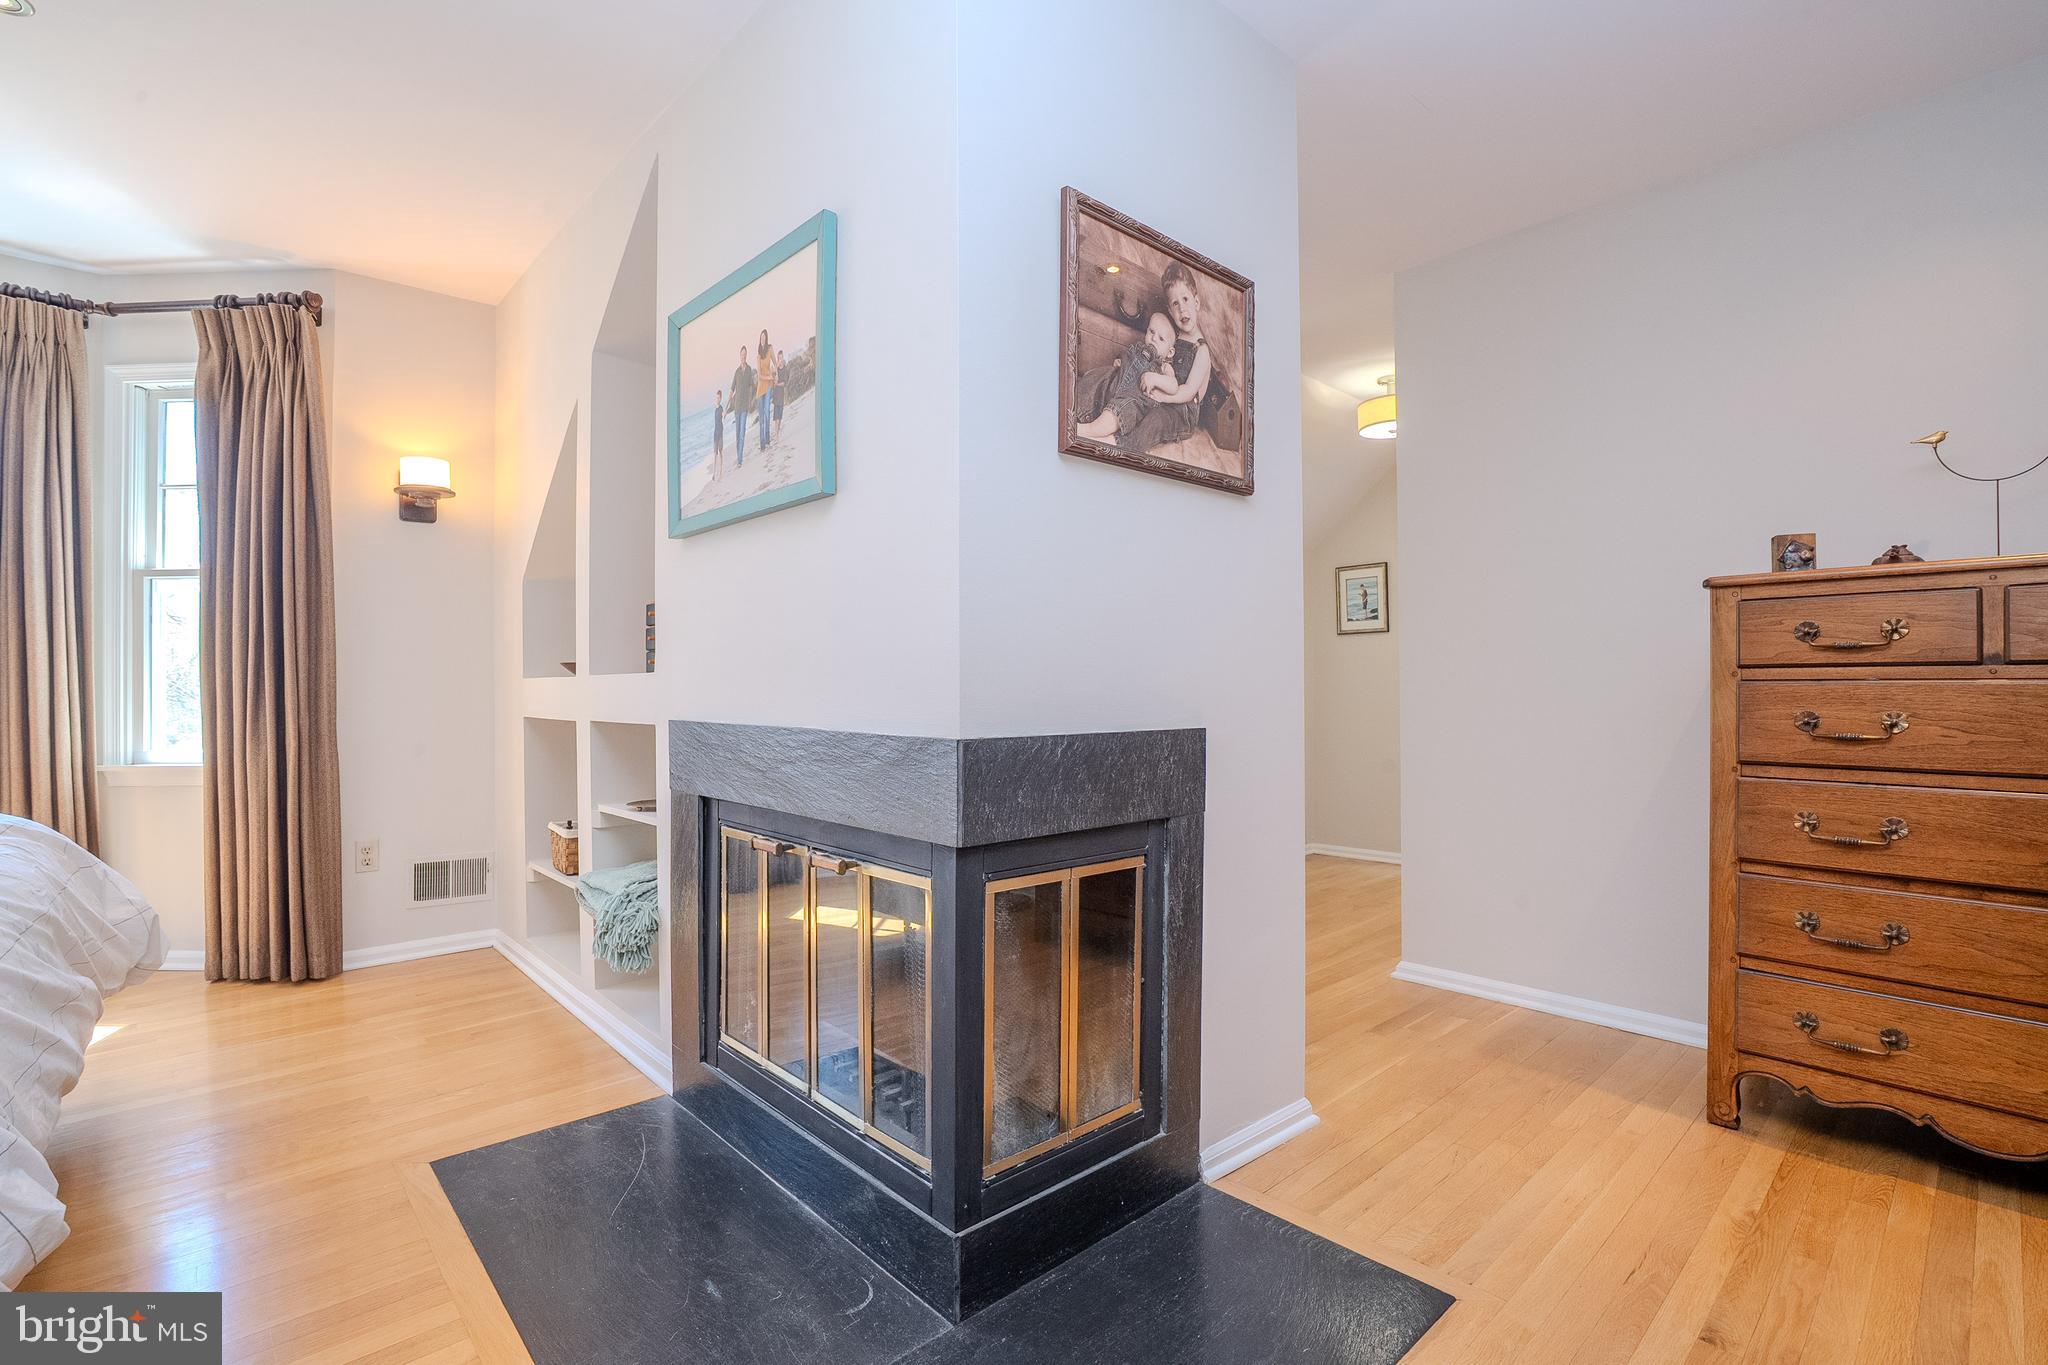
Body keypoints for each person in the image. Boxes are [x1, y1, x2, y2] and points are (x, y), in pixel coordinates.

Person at [1116, 263, 1215, 453]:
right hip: (1165, 391)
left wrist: (1163, 398)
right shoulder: (1174, 335)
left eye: (1185, 299)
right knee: (1135, 399)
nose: (1182, 309)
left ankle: (1124, 448)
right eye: (1175, 304)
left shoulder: (1201, 350)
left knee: (1155, 420)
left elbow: (1187, 391)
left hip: (1182, 412)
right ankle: (1112, 427)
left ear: (1197, 303)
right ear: (1170, 310)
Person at [1074, 312, 1178, 446]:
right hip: (1114, 383)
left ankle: (1087, 430)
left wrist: (1155, 378)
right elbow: (1127, 362)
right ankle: (1076, 408)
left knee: (1120, 409)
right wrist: (1121, 362)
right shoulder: (1138, 348)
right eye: (1151, 331)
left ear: (1170, 352)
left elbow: (1173, 386)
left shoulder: (1165, 367)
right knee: (1096, 379)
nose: (1153, 339)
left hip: (1134, 399)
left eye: (1161, 339)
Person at [728, 346, 756, 467]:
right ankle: (739, 455)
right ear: (740, 356)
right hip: (736, 407)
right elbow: (732, 388)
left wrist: (750, 400)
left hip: (744, 406)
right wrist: (729, 400)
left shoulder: (749, 369)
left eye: (745, 354)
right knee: (737, 434)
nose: (743, 356)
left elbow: (751, 385)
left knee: (742, 433)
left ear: (746, 355)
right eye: (741, 354)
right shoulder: (737, 371)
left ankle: (739, 460)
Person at [754, 331, 776, 454]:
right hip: (761, 388)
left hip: (768, 387)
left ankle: (767, 439)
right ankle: (762, 444)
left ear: (766, 338)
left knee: (767, 412)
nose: (762, 339)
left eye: (764, 337)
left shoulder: (770, 348)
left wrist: (776, 374)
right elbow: (759, 376)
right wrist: (769, 378)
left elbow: (774, 362)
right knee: (762, 418)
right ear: (759, 339)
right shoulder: (758, 356)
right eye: (761, 337)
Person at [773, 348, 788, 439]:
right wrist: (775, 368)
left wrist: (777, 383)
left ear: (783, 358)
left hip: (781, 395)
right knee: (776, 417)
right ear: (778, 359)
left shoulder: (785, 369)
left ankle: (778, 431)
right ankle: (776, 434)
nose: (780, 360)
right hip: (776, 395)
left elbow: (784, 383)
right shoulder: (777, 370)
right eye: (779, 358)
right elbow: (773, 378)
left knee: (780, 416)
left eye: (781, 358)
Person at [712, 387, 726, 477]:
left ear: (720, 399)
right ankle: (713, 473)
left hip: (720, 433)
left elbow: (723, 415)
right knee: (715, 454)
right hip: (715, 434)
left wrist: (724, 415)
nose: (717, 399)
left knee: (720, 453)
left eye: (718, 398)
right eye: (716, 398)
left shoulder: (721, 408)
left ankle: (721, 471)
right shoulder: (715, 409)